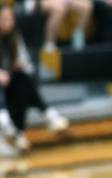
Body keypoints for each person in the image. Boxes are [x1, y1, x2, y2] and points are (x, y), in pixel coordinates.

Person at [0, 4, 68, 154]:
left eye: (11, 18)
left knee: (22, 80)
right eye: (4, 19)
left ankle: (16, 132)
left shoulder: (14, 37)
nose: (9, 21)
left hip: (9, 85)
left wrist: (16, 66)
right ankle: (48, 114)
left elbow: (26, 66)